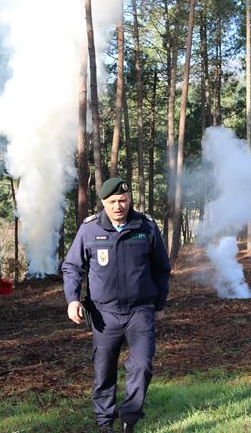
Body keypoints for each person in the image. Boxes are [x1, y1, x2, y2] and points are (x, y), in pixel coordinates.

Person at [63, 177, 171, 433]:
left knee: (142, 366)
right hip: (104, 314)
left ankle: (129, 419)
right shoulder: (89, 230)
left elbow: (161, 268)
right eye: (112, 201)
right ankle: (104, 424)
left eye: (123, 200)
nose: (118, 206)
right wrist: (72, 299)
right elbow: (72, 266)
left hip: (140, 311)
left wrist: (160, 304)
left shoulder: (146, 227)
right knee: (104, 370)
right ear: (103, 203)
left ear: (130, 198)